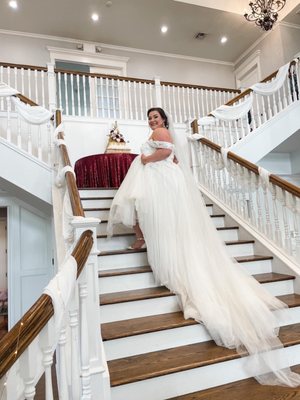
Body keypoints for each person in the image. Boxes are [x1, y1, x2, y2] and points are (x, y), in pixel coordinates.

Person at [107, 107, 300, 387]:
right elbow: (173, 156)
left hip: (158, 175)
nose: (152, 121)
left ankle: (152, 244)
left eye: (155, 117)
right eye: (149, 117)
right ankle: (147, 240)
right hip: (160, 178)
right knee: (150, 214)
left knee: (151, 213)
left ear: (163, 118)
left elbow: (165, 152)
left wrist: (147, 159)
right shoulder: (156, 132)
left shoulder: (161, 133)